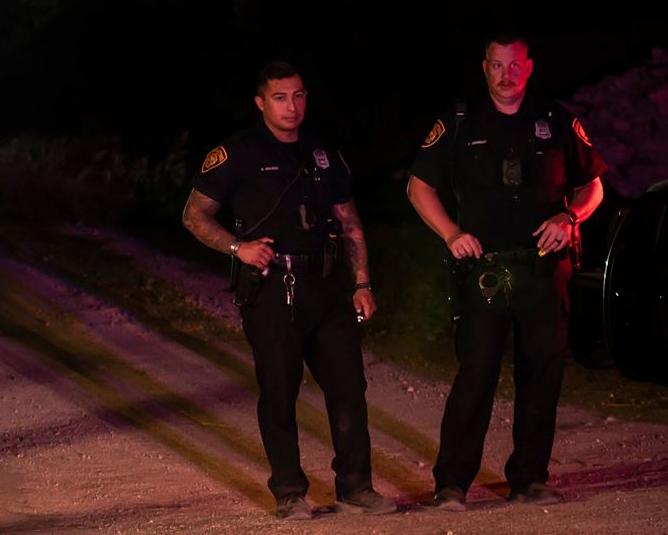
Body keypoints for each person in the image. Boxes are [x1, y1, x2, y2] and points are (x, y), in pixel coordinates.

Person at [183, 61, 395, 520]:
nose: (291, 106)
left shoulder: (322, 152)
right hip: (272, 288)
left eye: (298, 95)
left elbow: (350, 221)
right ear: (261, 102)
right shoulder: (237, 151)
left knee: (348, 387)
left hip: (326, 286)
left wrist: (362, 283)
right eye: (280, 97)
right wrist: (238, 247)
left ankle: (356, 487)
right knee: (279, 390)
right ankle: (289, 492)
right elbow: (194, 215)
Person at [407, 35, 606, 511]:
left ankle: (529, 479)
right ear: (484, 68)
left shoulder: (556, 120)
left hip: (542, 270)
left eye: (514, 65)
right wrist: (452, 233)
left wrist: (570, 217)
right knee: (475, 376)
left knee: (542, 374)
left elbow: (593, 186)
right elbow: (418, 187)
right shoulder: (459, 122)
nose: (506, 74)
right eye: (497, 65)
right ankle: (452, 484)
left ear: (529, 67)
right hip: (484, 273)